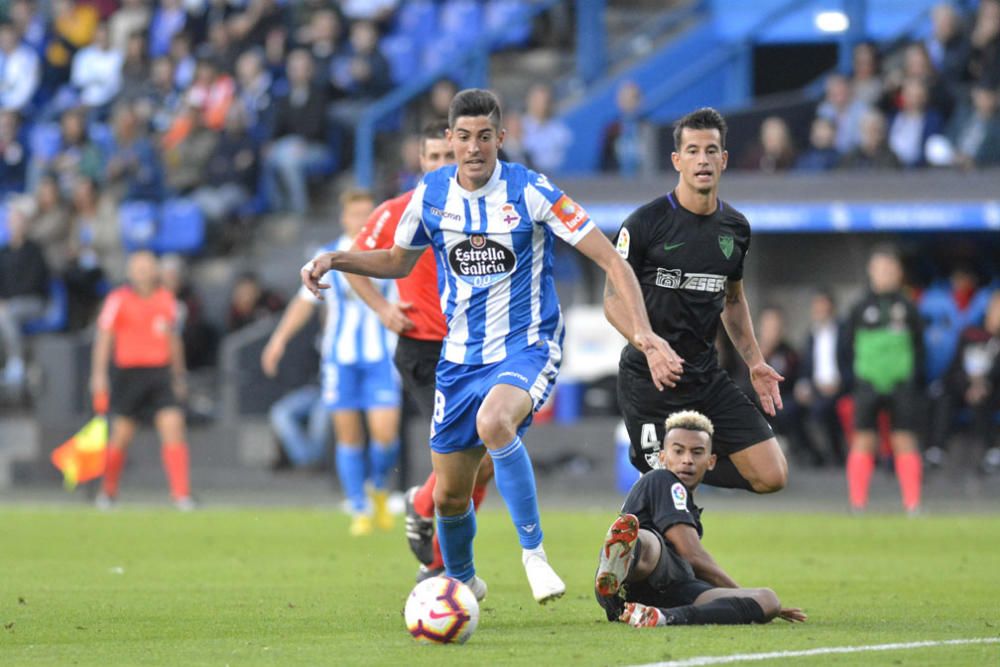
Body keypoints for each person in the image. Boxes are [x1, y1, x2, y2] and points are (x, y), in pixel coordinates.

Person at [301, 89, 680, 604]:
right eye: (464, 137)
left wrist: (644, 333)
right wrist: (335, 260)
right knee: (452, 494)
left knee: (494, 422)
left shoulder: (532, 191)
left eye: (485, 137)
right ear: (450, 140)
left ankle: (535, 556)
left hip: (527, 345)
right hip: (457, 359)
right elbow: (395, 259)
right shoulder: (430, 194)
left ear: (501, 139)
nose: (474, 147)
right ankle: (462, 579)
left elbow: (612, 260)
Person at [343, 120, 495, 582]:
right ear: (421, 162)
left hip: (476, 350)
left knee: (483, 463)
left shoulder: (486, 210)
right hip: (425, 351)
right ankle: (438, 548)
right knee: (470, 455)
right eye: (433, 157)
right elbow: (354, 262)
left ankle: (436, 540)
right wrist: (382, 310)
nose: (442, 165)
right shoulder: (400, 210)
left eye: (449, 157)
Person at [610, 107, 788, 494]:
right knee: (667, 497)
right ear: (677, 160)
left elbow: (734, 300)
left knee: (771, 475)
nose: (702, 159)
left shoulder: (735, 228)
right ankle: (662, 482)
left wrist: (755, 362)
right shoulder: (644, 224)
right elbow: (613, 301)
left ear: (723, 160)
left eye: (711, 150)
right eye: (692, 150)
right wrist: (649, 343)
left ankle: (676, 467)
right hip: (649, 378)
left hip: (705, 377)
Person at [264, 189, 402, 536]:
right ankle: (358, 507)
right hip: (340, 359)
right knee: (349, 435)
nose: (361, 221)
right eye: (355, 214)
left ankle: (380, 488)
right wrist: (279, 339)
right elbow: (303, 302)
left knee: (385, 436)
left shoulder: (392, 252)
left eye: (367, 214)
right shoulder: (325, 256)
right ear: (344, 217)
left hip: (382, 357)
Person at [594, 410, 806, 627]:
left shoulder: (688, 505)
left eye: (697, 452)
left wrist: (750, 599)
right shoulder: (663, 480)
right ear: (662, 457)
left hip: (669, 590)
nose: (687, 460)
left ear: (711, 461)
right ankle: (620, 563)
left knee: (768, 600)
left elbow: (690, 563)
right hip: (638, 580)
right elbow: (692, 554)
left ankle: (662, 616)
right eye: (678, 451)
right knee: (648, 541)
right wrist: (741, 593)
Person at [90, 251, 194, 510]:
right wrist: (99, 375)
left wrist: (179, 375)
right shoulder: (118, 300)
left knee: (173, 426)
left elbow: (174, 340)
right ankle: (108, 491)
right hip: (129, 374)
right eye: (139, 268)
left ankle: (181, 494)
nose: (144, 272)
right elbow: (104, 339)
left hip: (159, 373)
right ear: (129, 272)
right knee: (121, 435)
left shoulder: (167, 300)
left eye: (148, 267)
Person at [845, 246, 924, 514]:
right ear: (871, 271)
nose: (885, 274)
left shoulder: (908, 307)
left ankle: (912, 504)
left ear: (899, 273)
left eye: (890, 269)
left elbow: (919, 347)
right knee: (864, 439)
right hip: (867, 383)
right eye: (880, 269)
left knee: (904, 439)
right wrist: (853, 380)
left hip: (901, 384)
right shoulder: (859, 307)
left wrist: (915, 379)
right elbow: (844, 347)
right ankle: (858, 503)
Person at [0, 204, 50, 388]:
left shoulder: (35, 251)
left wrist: (7, 301)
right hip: (7, 304)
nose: (16, 225)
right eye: (12, 222)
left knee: (5, 314)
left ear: (26, 225)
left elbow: (35, 282)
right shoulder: (3, 252)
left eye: (19, 222)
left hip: (33, 301)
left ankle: (16, 361)